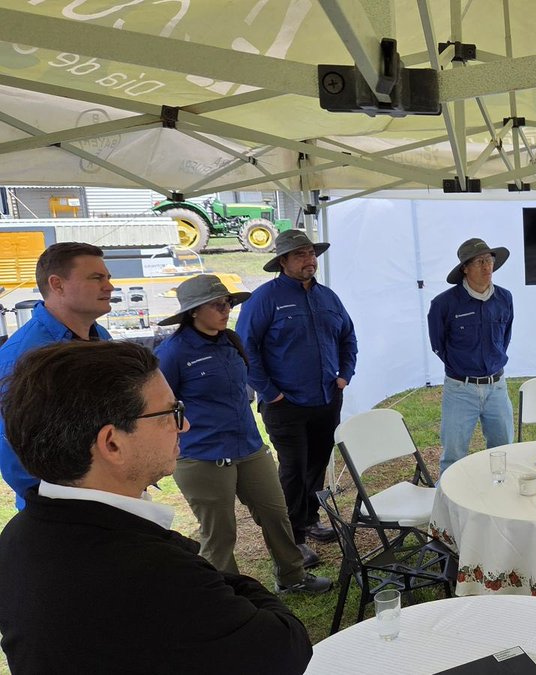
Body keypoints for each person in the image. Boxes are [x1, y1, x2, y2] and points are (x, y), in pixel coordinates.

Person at [0, 340, 313, 674]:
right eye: (171, 413)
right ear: (112, 443)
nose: (184, 425)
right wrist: (234, 586)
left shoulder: (17, 538)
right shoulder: (154, 575)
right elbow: (287, 647)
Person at [157, 274, 332, 593]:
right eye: (217, 305)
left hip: (249, 447)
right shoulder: (173, 352)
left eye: (228, 303)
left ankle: (292, 577)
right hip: (203, 457)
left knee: (276, 514)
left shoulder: (231, 341)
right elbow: (159, 406)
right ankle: (227, 595)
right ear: (194, 311)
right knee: (220, 533)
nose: (226, 309)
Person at [237, 230, 357, 561]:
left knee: (317, 464)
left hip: (326, 397)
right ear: (283, 262)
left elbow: (348, 337)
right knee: (293, 468)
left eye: (311, 253)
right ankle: (293, 537)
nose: (310, 260)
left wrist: (344, 375)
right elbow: (245, 349)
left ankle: (311, 518)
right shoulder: (264, 299)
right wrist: (272, 393)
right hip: (285, 404)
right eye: (301, 255)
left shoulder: (328, 297)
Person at [0, 242, 113, 509]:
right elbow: (12, 447)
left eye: (108, 277)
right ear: (57, 285)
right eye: (96, 278)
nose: (109, 286)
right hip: (66, 509)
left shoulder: (101, 338)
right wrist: (56, 509)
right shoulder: (23, 356)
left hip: (114, 493)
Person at [427, 237, 515, 477]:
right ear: (465, 268)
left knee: (504, 451)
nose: (487, 267)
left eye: (489, 261)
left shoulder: (505, 299)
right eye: (479, 262)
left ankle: (501, 503)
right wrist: (462, 366)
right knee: (453, 457)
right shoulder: (444, 304)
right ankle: (448, 511)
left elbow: (504, 339)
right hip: (460, 389)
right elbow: (439, 345)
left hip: (497, 387)